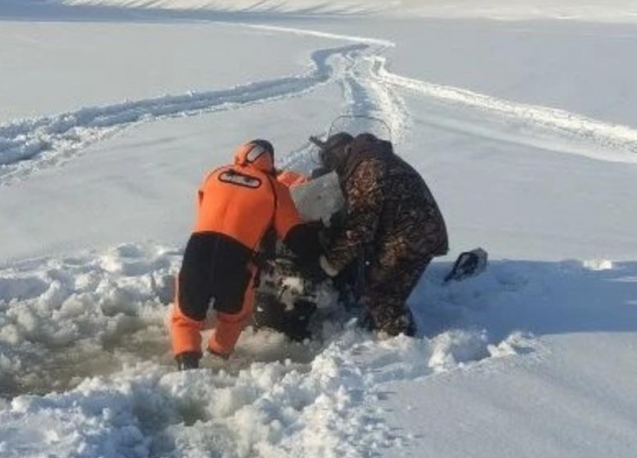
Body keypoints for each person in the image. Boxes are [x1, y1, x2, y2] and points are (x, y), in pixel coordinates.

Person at [169, 139, 319, 370]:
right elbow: (294, 233)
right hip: (234, 260)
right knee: (234, 316)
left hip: (197, 251)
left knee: (186, 317)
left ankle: (185, 364)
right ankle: (217, 358)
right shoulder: (275, 188)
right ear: (268, 160)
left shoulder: (214, 174)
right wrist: (317, 255)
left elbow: (204, 208)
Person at [313, 132, 448, 336]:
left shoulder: (366, 169)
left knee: (379, 293)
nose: (333, 167)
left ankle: (401, 340)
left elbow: (360, 226)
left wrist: (332, 263)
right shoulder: (375, 157)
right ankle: (381, 324)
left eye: (332, 159)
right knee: (382, 281)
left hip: (409, 237)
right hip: (418, 231)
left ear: (343, 153)